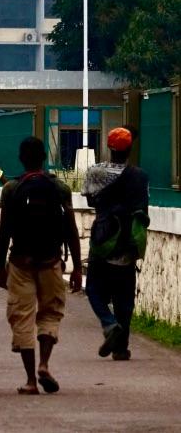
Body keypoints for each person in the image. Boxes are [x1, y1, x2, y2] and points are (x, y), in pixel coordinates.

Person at [0, 136, 82, 395]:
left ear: (21, 159)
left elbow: (4, 231)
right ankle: (45, 364)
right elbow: (71, 229)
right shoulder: (58, 188)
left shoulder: (12, 189)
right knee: (50, 313)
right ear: (44, 158)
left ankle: (31, 380)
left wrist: (1, 266)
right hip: (51, 261)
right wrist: (77, 267)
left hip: (21, 263)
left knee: (22, 318)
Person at [83, 126, 150, 362]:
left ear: (109, 148)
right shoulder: (140, 176)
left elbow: (90, 199)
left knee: (93, 289)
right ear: (130, 148)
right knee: (125, 297)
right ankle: (121, 348)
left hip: (103, 239)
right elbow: (143, 208)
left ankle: (109, 324)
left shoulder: (96, 171)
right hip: (127, 241)